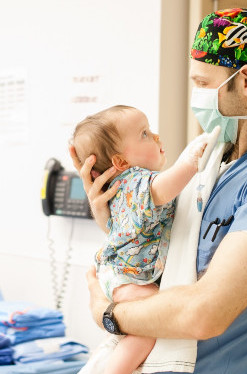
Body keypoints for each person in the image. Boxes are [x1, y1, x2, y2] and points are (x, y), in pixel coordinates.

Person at [70, 8, 247, 374]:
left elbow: (204, 314)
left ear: (246, 81)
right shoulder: (217, 153)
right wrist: (116, 217)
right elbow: (172, 250)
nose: (196, 96)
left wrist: (109, 313)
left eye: (203, 83)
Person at [71, 105, 209, 374]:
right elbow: (163, 189)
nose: (156, 136)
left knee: (143, 324)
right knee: (148, 327)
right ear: (121, 163)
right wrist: (191, 162)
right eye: (144, 134)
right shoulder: (134, 181)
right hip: (127, 276)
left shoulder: (120, 187)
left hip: (122, 272)